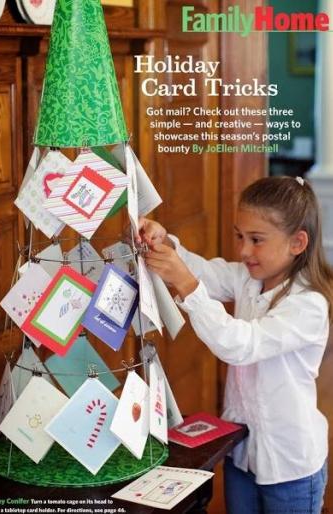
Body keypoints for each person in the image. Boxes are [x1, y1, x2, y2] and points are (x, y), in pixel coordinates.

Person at [138, 176, 330, 513]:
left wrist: (184, 281)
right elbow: (205, 273)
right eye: (240, 236)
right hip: (242, 455)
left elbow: (240, 344)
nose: (243, 250)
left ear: (298, 242)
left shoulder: (308, 306)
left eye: (256, 240)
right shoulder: (248, 278)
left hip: (290, 466)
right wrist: (165, 242)